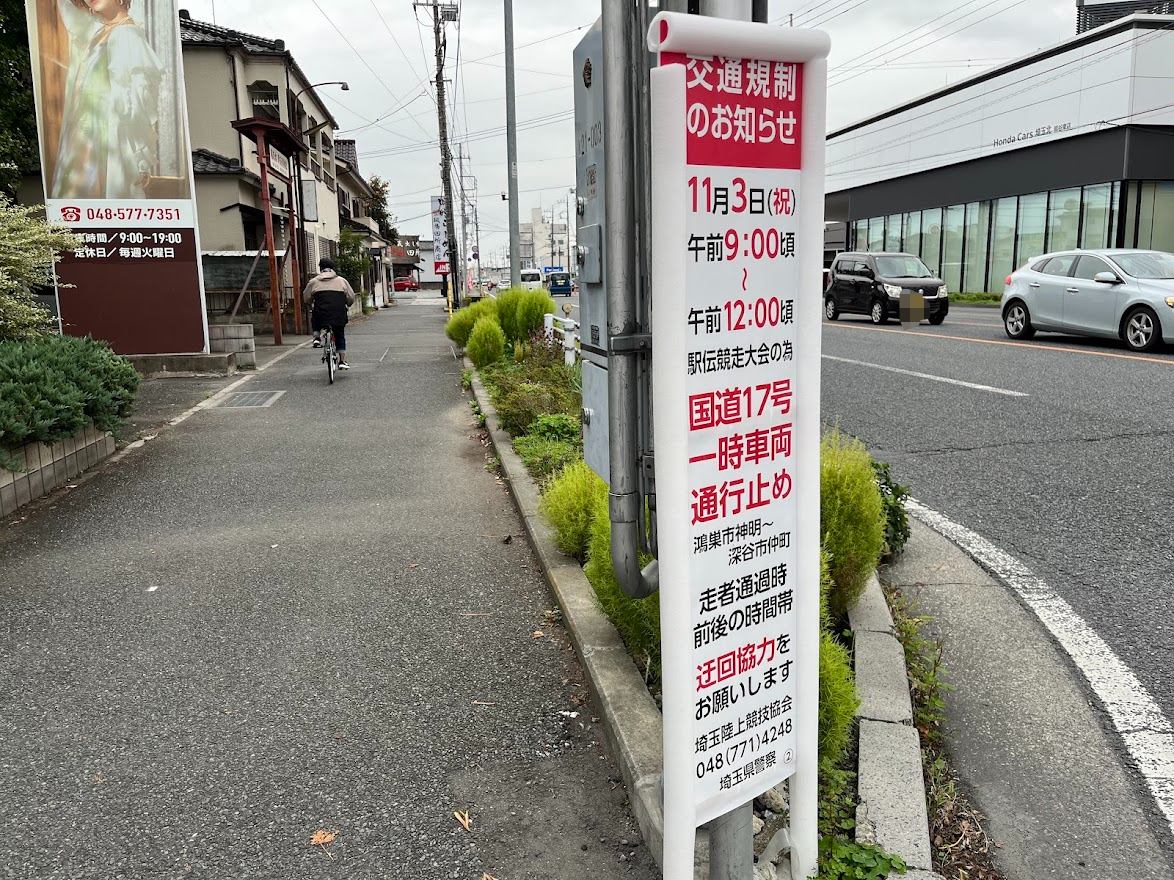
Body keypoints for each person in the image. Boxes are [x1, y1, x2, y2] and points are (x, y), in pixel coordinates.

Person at [52, 0, 167, 200]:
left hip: (105, 133)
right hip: (82, 129)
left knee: (92, 196)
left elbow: (138, 102)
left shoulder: (127, 34)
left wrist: (140, 159)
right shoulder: (98, 31)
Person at [304, 258, 356, 369]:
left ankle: (317, 337)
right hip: (338, 314)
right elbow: (351, 297)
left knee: (316, 313)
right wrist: (347, 304)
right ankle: (342, 361)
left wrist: (311, 303)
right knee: (339, 335)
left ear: (320, 268)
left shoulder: (313, 282)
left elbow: (306, 297)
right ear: (332, 268)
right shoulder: (342, 281)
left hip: (321, 314)